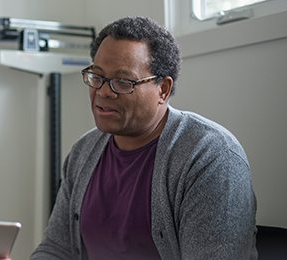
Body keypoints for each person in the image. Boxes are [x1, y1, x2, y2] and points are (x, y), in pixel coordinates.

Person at [30, 16, 257, 259]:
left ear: (163, 89)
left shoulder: (211, 158)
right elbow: (57, 248)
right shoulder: (84, 151)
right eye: (97, 76)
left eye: (122, 81)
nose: (103, 91)